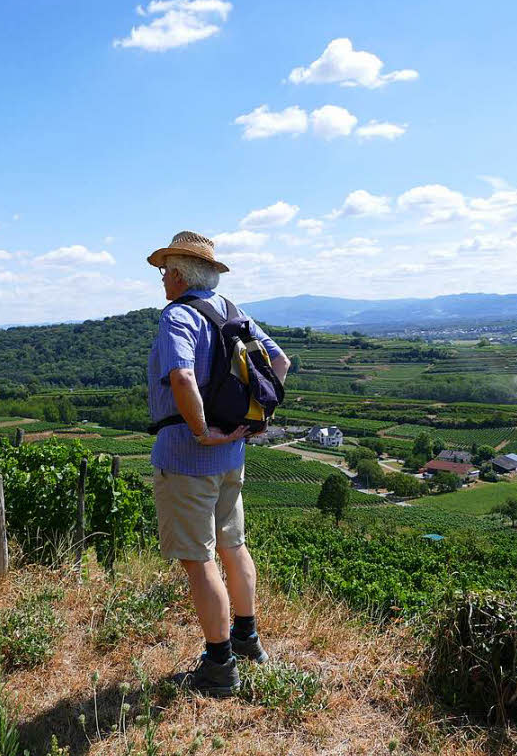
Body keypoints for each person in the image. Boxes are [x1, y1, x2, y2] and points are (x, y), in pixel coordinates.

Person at [146, 230, 290, 697]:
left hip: (190, 458)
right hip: (234, 456)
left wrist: (202, 430)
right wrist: (254, 422)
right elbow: (280, 363)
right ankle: (248, 640)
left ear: (181, 275)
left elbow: (182, 377)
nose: (162, 279)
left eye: (166, 270)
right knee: (234, 545)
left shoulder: (178, 316)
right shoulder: (232, 311)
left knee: (199, 559)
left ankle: (219, 663)